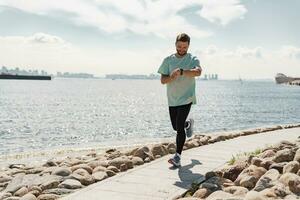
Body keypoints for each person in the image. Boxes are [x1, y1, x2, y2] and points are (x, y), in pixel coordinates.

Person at [157, 33, 202, 167]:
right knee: (176, 127)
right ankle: (188, 125)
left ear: (188, 46)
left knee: (179, 127)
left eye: (184, 47)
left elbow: (198, 72)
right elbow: (162, 80)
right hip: (172, 99)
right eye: (179, 46)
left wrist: (182, 71)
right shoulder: (168, 60)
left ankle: (177, 157)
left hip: (187, 97)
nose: (181, 49)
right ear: (175, 44)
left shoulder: (192, 58)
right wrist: (171, 77)